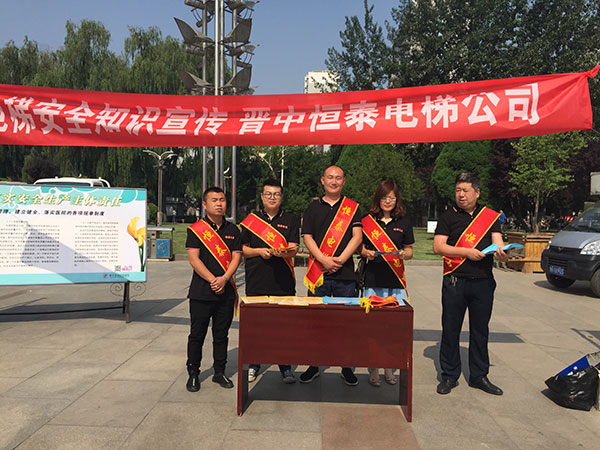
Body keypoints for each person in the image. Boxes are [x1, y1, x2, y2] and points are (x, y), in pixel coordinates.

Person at [433, 172, 508, 396]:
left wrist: (502, 253)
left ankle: (479, 375)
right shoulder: (448, 216)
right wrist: (466, 252)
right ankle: (449, 375)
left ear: (477, 192)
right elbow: (439, 247)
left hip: (483, 282)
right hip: (455, 280)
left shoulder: (490, 216)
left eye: (465, 190)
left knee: (480, 330)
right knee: (451, 329)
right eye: (458, 190)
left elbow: (498, 242)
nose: (461, 195)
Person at [299, 165, 363, 386]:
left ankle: (346, 366)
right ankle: (314, 364)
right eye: (330, 177)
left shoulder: (352, 208)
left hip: (345, 275)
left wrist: (340, 260)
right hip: (319, 274)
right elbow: (307, 237)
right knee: (316, 322)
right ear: (322, 180)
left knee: (346, 323)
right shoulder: (313, 207)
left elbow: (357, 237)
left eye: (338, 178)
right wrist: (323, 260)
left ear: (344, 181)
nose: (334, 181)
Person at [240, 178, 299, 384]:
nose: (272, 198)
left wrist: (282, 252)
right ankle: (254, 364)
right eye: (268, 194)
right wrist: (259, 251)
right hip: (256, 280)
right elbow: (243, 249)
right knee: (256, 326)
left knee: (283, 327)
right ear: (262, 196)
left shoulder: (290, 219)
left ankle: (285, 366)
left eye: (276, 194)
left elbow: (294, 248)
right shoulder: (252, 220)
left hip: (283, 282)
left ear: (281, 197)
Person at [185, 187, 242, 392]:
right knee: (197, 334)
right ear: (204, 204)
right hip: (201, 292)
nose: (219, 204)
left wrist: (224, 279)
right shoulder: (196, 230)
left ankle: (219, 372)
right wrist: (213, 280)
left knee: (221, 334)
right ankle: (193, 373)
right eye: (214, 200)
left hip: (225, 292)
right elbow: (194, 259)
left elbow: (236, 257)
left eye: (222, 200)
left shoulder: (233, 230)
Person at [360, 180, 414, 387]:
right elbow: (359, 247)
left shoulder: (404, 221)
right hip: (373, 280)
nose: (388, 201)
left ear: (397, 199)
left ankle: (389, 367)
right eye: (384, 197)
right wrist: (365, 252)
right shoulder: (367, 221)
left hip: (395, 282)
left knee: (393, 327)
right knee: (373, 326)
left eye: (391, 198)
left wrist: (404, 254)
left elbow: (409, 250)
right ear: (378, 199)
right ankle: (374, 366)